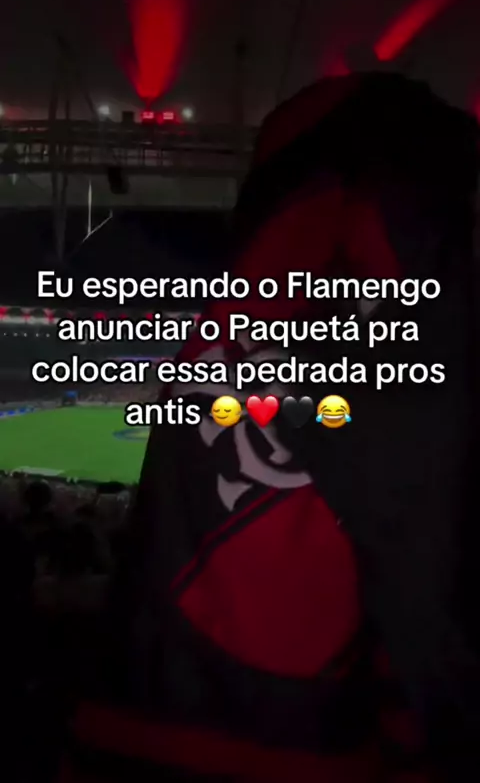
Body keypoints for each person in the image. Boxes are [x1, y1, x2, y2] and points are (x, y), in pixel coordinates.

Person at [59, 73, 480, 782]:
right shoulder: (401, 281)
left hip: (136, 712)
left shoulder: (236, 303)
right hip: (294, 735)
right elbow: (424, 573)